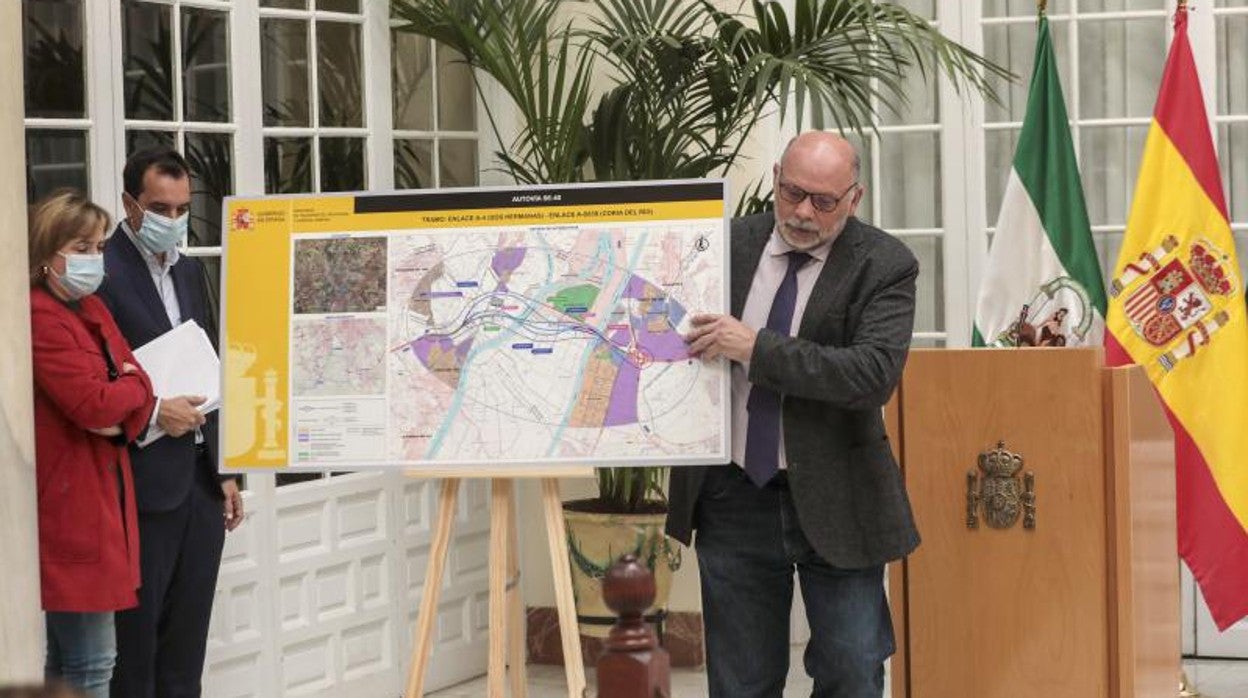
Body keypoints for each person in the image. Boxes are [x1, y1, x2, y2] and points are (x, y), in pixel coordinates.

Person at [667, 132, 921, 698]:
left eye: (823, 201)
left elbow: (871, 375)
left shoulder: (885, 264)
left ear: (854, 199)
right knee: (741, 681)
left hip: (840, 497)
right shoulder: (723, 244)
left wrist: (755, 348)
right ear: (778, 177)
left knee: (851, 671)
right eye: (791, 192)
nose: (803, 212)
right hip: (732, 494)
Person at [96, 148, 244, 698]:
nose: (173, 220)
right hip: (140, 485)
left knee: (187, 647)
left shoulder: (191, 269)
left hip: (202, 487)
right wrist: (155, 412)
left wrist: (226, 468)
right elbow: (98, 382)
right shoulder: (103, 272)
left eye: (183, 209)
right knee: (135, 652)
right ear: (130, 204)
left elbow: (210, 369)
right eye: (161, 207)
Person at [28, 190, 157, 697]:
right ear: (47, 253)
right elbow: (95, 406)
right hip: (70, 511)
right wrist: (127, 394)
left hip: (102, 502)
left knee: (68, 664)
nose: (95, 259)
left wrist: (127, 394)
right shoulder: (40, 316)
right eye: (82, 247)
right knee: (91, 665)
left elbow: (140, 384)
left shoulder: (91, 306)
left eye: (100, 247)